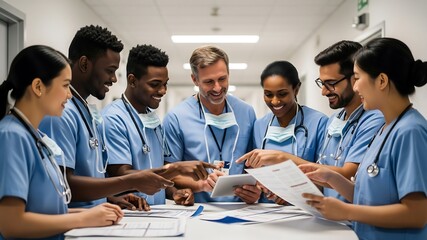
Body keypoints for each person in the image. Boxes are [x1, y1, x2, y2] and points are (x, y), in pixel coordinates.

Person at [39, 25, 210, 210]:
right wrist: (172, 171)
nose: (113, 79)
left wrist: (111, 198)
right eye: (110, 70)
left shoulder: (86, 112)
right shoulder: (62, 113)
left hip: (102, 217)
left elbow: (96, 176)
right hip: (77, 223)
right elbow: (63, 183)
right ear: (84, 64)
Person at [301, 37, 427, 240]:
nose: (356, 88)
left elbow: (417, 214)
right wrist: (331, 178)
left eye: (357, 78)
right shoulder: (386, 129)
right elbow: (369, 197)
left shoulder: (410, 131)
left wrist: (346, 211)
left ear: (382, 81)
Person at [0, 45, 123, 240]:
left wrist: (92, 213)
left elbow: (47, 212)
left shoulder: (35, 136)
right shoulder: (11, 136)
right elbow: (11, 224)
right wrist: (82, 220)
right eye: (65, 85)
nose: (70, 95)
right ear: (38, 87)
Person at [237, 41, 383, 202]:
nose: (324, 91)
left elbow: (348, 175)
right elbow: (322, 176)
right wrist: (284, 189)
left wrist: (282, 158)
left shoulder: (374, 120)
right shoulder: (335, 120)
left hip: (348, 218)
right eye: (322, 83)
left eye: (331, 83)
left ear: (355, 79)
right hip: (328, 215)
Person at [102, 44, 215, 207]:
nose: (163, 91)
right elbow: (122, 174)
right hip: (129, 214)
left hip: (156, 213)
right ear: (132, 80)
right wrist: (176, 168)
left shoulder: (152, 119)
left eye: (165, 84)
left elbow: (159, 170)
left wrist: (174, 191)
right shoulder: (113, 118)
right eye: (155, 84)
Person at [163, 45, 259, 203]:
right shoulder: (176, 118)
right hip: (198, 209)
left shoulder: (246, 112)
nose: (217, 88)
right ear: (195, 80)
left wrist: (255, 191)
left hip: (242, 210)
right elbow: (169, 172)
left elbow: (253, 165)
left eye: (222, 79)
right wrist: (202, 184)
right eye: (209, 82)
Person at [251, 60, 328, 203]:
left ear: (296, 89)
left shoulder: (318, 122)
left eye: (282, 94)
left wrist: (294, 192)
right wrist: (259, 186)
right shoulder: (259, 126)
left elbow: (327, 178)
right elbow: (254, 171)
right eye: (268, 94)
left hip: (307, 208)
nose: (275, 101)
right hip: (266, 209)